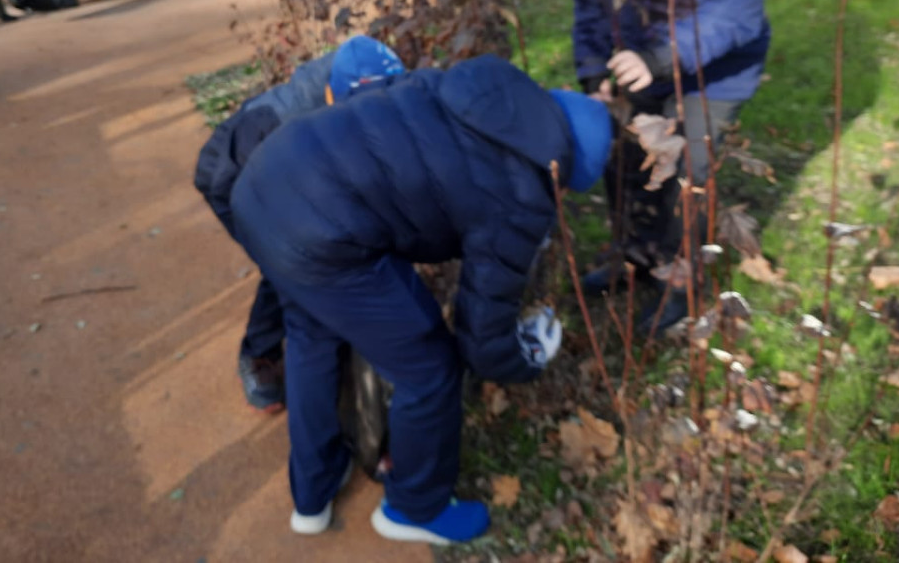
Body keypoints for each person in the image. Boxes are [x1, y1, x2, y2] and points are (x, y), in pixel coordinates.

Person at [229, 54, 612, 544]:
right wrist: (528, 355)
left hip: (267, 180)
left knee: (311, 337)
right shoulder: (522, 194)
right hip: (324, 235)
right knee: (429, 368)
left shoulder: (471, 87)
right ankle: (414, 508)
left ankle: (312, 495)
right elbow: (482, 337)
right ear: (563, 173)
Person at [532, 0, 770, 332]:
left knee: (687, 171)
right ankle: (634, 257)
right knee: (624, 158)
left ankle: (680, 281)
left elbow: (736, 10)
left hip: (713, 73)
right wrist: (595, 72)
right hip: (642, 67)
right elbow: (591, 15)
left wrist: (660, 58)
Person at [193, 37, 407, 413]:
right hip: (231, 177)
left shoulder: (371, 71)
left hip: (280, 166)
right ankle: (258, 359)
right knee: (287, 270)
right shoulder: (285, 128)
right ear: (331, 96)